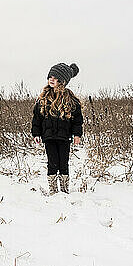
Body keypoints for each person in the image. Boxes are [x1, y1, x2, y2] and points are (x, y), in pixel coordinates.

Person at [31, 62, 83, 195]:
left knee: (63, 162)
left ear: (63, 81)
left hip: (64, 137)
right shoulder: (42, 99)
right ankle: (53, 191)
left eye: (56, 78)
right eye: (50, 76)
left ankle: (64, 190)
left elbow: (77, 119)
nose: (52, 79)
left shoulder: (70, 100)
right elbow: (37, 118)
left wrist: (77, 134)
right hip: (48, 136)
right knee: (52, 162)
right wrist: (36, 133)